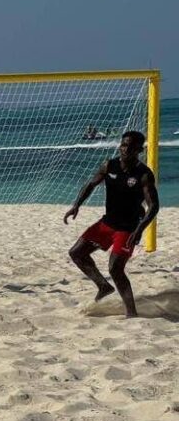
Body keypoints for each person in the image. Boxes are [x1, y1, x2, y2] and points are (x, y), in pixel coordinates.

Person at [64, 131, 158, 317]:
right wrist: (76, 205)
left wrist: (139, 230)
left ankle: (132, 312)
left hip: (128, 228)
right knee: (76, 253)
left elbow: (154, 206)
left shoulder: (144, 174)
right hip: (107, 223)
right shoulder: (109, 165)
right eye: (123, 145)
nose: (125, 149)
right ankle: (103, 286)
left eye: (130, 147)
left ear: (139, 150)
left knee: (115, 268)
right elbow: (91, 184)